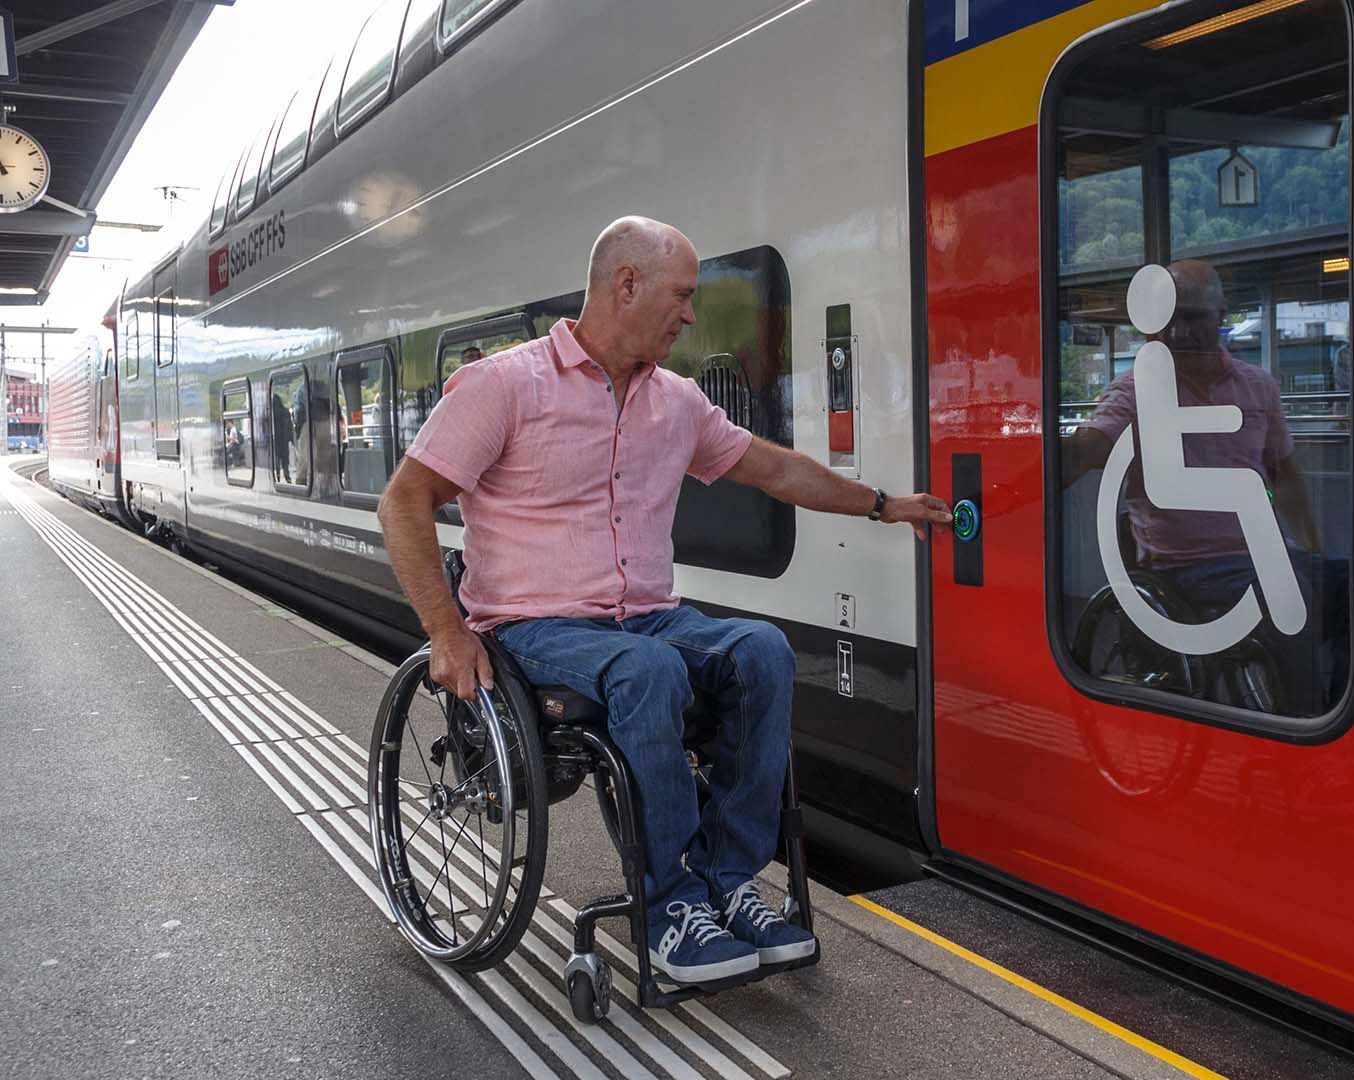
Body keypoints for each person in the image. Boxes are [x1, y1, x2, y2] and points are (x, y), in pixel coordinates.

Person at [379, 216, 950, 986]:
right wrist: (447, 634)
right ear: (627, 285)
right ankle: (669, 905)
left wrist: (884, 504)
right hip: (533, 627)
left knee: (761, 650)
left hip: (643, 618)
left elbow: (774, 472)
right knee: (648, 670)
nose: (689, 313)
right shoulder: (505, 386)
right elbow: (406, 500)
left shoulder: (675, 402)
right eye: (681, 295)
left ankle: (726, 881)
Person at [1062, 259, 1347, 714]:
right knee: (1292, 597)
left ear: (1221, 315)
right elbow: (1087, 450)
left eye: (1192, 316)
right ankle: (1303, 721)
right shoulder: (1136, 390)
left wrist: (1310, 545)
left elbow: (1284, 473)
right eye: (1169, 318)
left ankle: (1337, 703)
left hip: (1258, 552)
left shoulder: (1259, 388)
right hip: (1185, 566)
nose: (1179, 331)